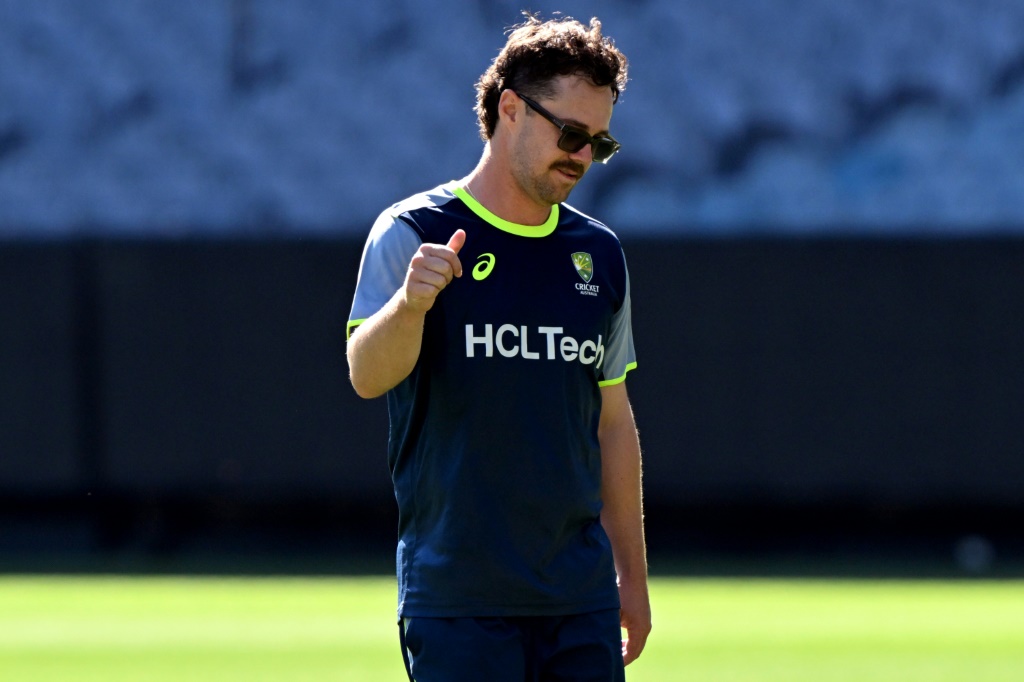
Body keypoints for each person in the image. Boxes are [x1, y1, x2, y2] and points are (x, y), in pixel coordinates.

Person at [346, 14, 650, 681]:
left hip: (581, 601)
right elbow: (367, 375)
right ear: (509, 108)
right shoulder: (412, 231)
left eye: (598, 143)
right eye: (570, 133)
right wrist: (411, 304)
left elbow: (613, 423)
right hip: (460, 601)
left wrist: (632, 576)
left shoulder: (599, 254)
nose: (581, 156)